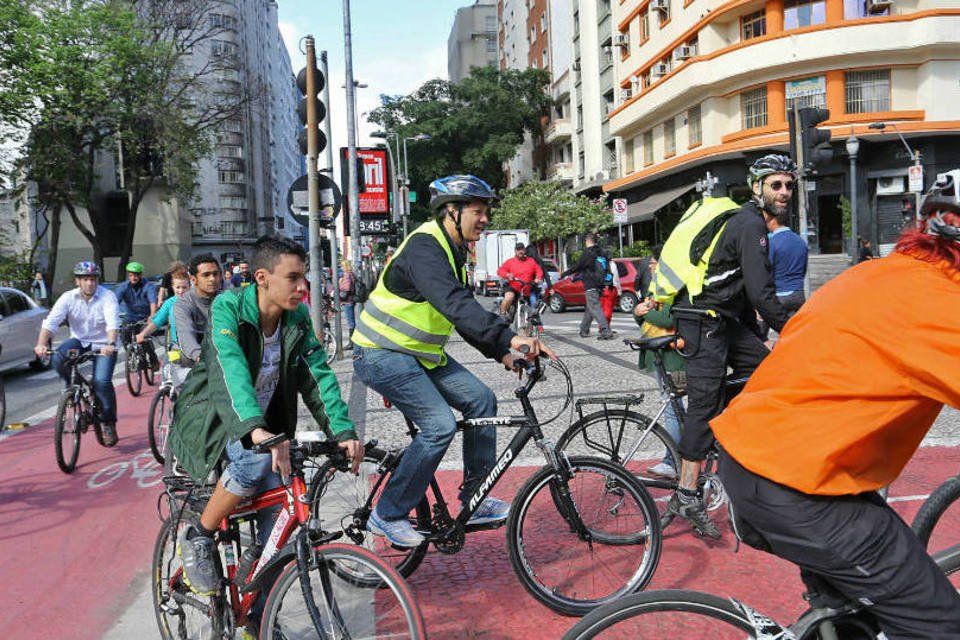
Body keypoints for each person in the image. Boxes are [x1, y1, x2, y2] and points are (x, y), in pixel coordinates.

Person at [711, 173, 960, 638]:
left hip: (764, 463)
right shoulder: (942, 304)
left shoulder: (880, 273)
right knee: (941, 625)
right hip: (798, 487)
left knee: (855, 621)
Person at [351, 174, 554, 548]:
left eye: (486, 212)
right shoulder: (425, 248)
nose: (485, 219)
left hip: (420, 356)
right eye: (478, 211)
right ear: (451, 211)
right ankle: (388, 512)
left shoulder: (454, 250)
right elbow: (457, 306)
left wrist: (503, 353)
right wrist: (509, 335)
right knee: (439, 425)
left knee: (481, 400)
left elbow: (460, 317)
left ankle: (474, 498)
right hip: (381, 354)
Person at [169, 236, 362, 615]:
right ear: (261, 277)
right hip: (215, 417)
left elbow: (317, 376)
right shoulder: (228, 309)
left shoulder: (296, 318)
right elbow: (231, 370)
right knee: (254, 462)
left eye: (304, 277)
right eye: (293, 278)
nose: (303, 287)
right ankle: (199, 537)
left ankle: (255, 618)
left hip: (267, 427)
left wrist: (343, 431)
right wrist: (255, 429)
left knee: (279, 526)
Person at [664, 154, 791, 539]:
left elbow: (737, 291)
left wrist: (759, 332)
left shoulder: (750, 223)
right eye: (776, 185)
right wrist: (794, 328)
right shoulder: (750, 224)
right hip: (703, 323)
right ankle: (685, 494)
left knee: (768, 371)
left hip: (725, 321)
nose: (784, 192)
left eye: (788, 185)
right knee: (705, 405)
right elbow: (760, 292)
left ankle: (738, 449)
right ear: (757, 188)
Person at [34, 262, 120, 445]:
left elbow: (113, 323)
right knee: (58, 357)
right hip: (79, 341)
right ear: (77, 281)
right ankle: (71, 388)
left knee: (101, 382)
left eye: (93, 279)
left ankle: (108, 422)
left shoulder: (107, 296)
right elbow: (51, 322)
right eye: (85, 279)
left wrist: (111, 343)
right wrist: (41, 344)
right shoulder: (67, 298)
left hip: (104, 343)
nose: (90, 283)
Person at [632, 296, 683, 479]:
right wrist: (638, 313)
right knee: (674, 409)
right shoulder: (657, 286)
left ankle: (673, 461)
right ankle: (674, 460)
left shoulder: (672, 284)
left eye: (654, 264)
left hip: (673, 357)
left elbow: (668, 319)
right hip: (661, 355)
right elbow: (647, 318)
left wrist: (647, 312)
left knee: (674, 409)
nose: (652, 266)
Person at [136, 271, 191, 389]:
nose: (181, 291)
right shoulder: (169, 303)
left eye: (184, 287)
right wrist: (143, 334)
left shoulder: (194, 302)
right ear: (172, 287)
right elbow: (156, 322)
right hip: (176, 347)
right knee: (168, 379)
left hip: (194, 348)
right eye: (178, 287)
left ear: (190, 287)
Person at [561, 233, 616, 340]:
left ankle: (606, 330)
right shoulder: (601, 251)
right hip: (601, 283)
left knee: (595, 307)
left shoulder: (588, 253)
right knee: (590, 307)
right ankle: (584, 329)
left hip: (590, 283)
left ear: (587, 241)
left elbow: (578, 266)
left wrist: (565, 273)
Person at [172, 254, 222, 367]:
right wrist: (199, 356)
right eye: (206, 275)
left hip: (223, 357)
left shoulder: (227, 299)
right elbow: (186, 335)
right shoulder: (182, 304)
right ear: (193, 280)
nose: (212, 279)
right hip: (193, 360)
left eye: (215, 274)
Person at [114, 261, 159, 370]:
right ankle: (131, 356)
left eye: (136, 275)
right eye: (131, 275)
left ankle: (153, 359)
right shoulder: (123, 287)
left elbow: (153, 302)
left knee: (144, 338)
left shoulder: (148, 286)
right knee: (124, 335)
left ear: (140, 275)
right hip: (130, 317)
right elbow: (114, 303)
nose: (133, 277)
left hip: (145, 318)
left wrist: (152, 316)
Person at [497, 242, 543, 319]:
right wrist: (507, 275)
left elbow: (539, 271)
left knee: (534, 306)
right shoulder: (510, 261)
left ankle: (531, 326)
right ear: (515, 251)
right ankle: (502, 314)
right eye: (518, 250)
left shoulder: (531, 261)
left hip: (526, 288)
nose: (520, 251)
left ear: (524, 250)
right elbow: (500, 270)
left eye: (522, 249)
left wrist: (538, 278)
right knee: (509, 297)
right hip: (513, 286)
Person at [338, 259, 357, 339]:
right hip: (351, 300)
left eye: (342, 266)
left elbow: (346, 288)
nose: (341, 268)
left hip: (347, 301)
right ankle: (353, 342)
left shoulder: (347, 275)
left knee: (351, 323)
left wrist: (340, 283)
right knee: (351, 322)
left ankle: (353, 343)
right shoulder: (352, 274)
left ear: (345, 266)